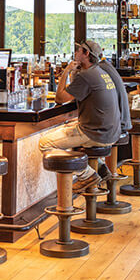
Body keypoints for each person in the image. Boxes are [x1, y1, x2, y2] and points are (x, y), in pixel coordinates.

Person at [39, 39, 121, 189]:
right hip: (111, 131)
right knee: (69, 128)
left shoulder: (86, 76)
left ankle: (87, 174)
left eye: (78, 50)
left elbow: (59, 98)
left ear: (86, 54)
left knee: (44, 143)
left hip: (96, 133)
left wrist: (66, 71)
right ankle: (101, 167)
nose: (75, 52)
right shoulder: (100, 72)